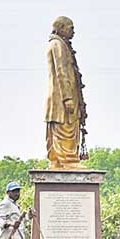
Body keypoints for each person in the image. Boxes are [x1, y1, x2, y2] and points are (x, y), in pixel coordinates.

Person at [45, 16, 87, 168]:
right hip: (62, 97)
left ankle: (58, 160)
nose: (73, 32)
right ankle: (67, 160)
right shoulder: (58, 45)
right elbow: (62, 72)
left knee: (65, 126)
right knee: (65, 126)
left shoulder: (61, 45)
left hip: (63, 96)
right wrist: (68, 98)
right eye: (71, 28)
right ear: (61, 28)